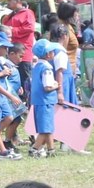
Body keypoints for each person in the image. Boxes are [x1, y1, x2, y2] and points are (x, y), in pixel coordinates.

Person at [28, 23, 67, 157]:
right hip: (46, 101)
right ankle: (34, 149)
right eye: (51, 51)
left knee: (48, 127)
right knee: (45, 129)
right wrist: (57, 85)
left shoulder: (36, 66)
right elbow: (48, 86)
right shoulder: (47, 69)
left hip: (39, 101)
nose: (53, 53)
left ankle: (51, 150)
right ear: (48, 54)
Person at [3, 0, 37, 92]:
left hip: (23, 54)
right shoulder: (9, 16)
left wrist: (13, 30)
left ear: (18, 1)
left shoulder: (27, 13)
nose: (8, 2)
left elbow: (30, 28)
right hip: (11, 54)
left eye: (10, 0)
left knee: (25, 82)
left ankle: (27, 104)